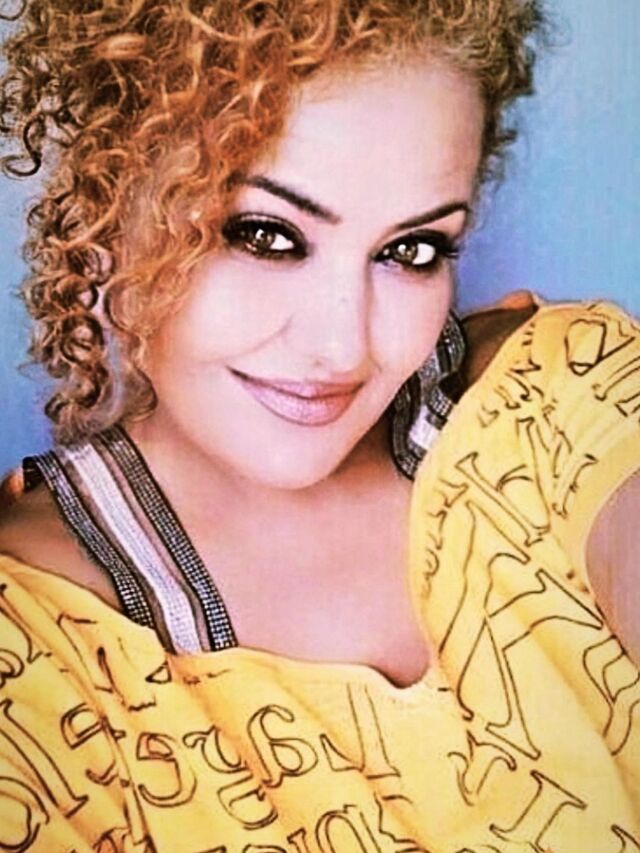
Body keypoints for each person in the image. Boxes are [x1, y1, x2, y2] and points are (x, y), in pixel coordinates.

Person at [0, 0, 638, 849]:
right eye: (265, 235)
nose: (344, 346)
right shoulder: (34, 660)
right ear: (108, 203)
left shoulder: (557, 402)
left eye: (411, 251)